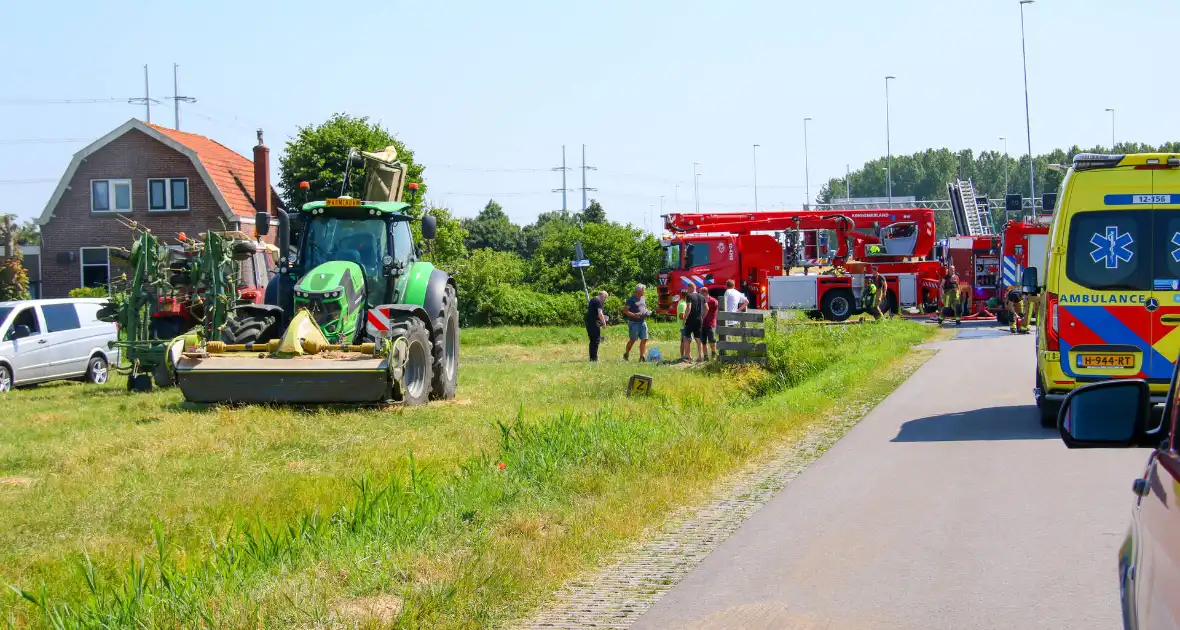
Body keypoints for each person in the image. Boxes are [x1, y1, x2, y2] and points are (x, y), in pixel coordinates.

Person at [623, 284, 650, 361]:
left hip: (642, 321)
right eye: (643, 290)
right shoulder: (631, 299)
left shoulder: (643, 298)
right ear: (639, 291)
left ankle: (642, 357)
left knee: (644, 338)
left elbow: (644, 307)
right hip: (633, 322)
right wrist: (633, 315)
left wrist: (647, 311)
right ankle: (626, 353)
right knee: (633, 339)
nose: (644, 291)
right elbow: (625, 310)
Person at [683, 285, 707, 361]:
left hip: (690, 320)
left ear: (690, 288)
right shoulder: (702, 296)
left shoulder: (689, 296)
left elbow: (688, 307)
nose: (687, 290)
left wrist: (684, 318)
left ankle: (688, 356)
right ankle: (700, 356)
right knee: (698, 339)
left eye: (687, 288)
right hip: (699, 320)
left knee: (686, 337)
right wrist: (702, 316)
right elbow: (707, 308)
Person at [585, 290, 607, 361]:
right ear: (603, 296)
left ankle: (592, 357)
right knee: (596, 340)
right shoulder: (598, 301)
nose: (604, 300)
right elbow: (600, 314)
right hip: (594, 323)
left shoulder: (593, 299)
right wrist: (604, 323)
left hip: (589, 322)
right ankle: (594, 358)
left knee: (592, 340)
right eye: (605, 298)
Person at [701, 286, 719, 360]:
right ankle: (705, 356)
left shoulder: (713, 301)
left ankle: (713, 354)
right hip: (702, 323)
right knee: (703, 341)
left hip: (710, 323)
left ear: (705, 292)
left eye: (700, 293)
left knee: (712, 340)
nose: (699, 294)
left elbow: (716, 311)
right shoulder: (701, 300)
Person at [677, 289, 690, 360]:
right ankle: (682, 356)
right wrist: (688, 320)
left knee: (686, 340)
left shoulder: (683, 302)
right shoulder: (682, 304)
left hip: (684, 325)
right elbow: (681, 316)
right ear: (686, 296)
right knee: (683, 341)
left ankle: (686, 355)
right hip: (683, 326)